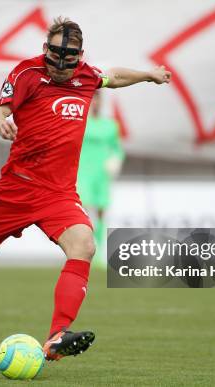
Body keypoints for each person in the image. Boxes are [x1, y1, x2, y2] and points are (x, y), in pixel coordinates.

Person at [0, 16, 171, 361]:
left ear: (79, 55)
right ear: (45, 49)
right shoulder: (27, 74)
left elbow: (115, 76)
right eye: (54, 55)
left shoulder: (87, 76)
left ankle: (57, 335)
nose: (60, 64)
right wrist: (0, 124)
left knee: (84, 244)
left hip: (58, 194)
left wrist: (148, 75)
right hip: (15, 189)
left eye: (68, 57)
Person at [77, 91, 124, 268]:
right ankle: (85, 249)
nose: (95, 103)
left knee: (102, 210)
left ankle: (99, 252)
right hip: (83, 172)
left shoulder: (110, 126)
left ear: (101, 102)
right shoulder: (81, 123)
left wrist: (116, 160)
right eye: (92, 100)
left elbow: (117, 148)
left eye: (97, 100)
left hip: (102, 174)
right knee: (84, 212)